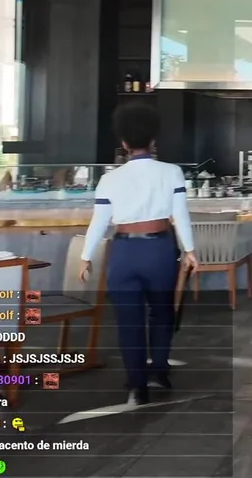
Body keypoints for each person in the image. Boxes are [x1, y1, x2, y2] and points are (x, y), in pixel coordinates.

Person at [80, 103, 198, 406]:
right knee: (162, 313)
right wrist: (190, 250)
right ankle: (159, 371)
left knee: (128, 321)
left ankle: (137, 384)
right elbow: (180, 216)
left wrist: (85, 256)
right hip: (159, 249)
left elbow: (99, 222)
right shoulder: (172, 172)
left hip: (123, 252)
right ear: (153, 140)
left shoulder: (109, 179)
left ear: (124, 143)